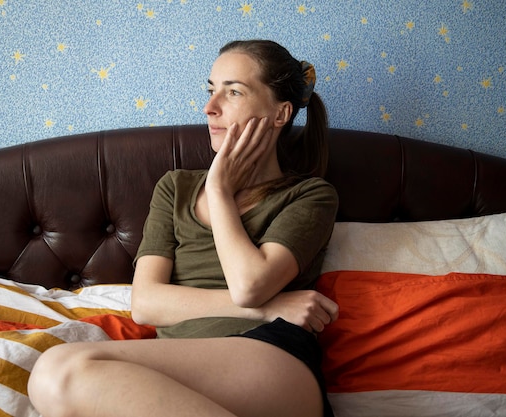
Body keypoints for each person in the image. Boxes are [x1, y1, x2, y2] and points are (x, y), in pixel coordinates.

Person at [28, 39, 339, 417]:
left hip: (271, 358)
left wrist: (220, 190)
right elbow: (145, 305)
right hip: (188, 368)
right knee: (54, 376)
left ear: (280, 113)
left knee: (55, 372)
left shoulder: (310, 195)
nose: (210, 108)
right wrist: (266, 309)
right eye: (210, 91)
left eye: (234, 91)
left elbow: (250, 285)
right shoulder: (175, 187)